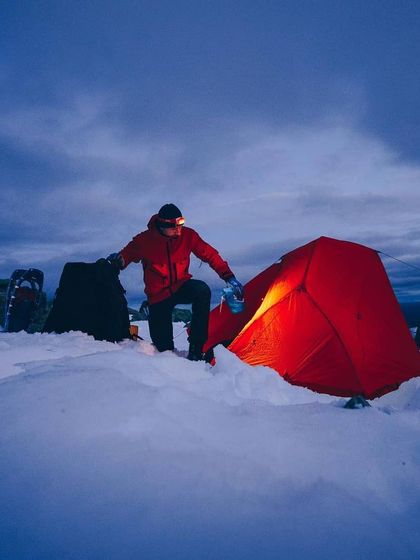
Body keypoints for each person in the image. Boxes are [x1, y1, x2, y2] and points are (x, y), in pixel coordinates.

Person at [107, 203, 244, 361]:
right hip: (158, 296)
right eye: (174, 227)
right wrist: (118, 261)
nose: (179, 231)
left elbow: (210, 255)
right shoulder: (144, 240)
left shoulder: (188, 236)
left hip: (181, 286)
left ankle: (196, 349)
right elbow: (126, 256)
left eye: (181, 225)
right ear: (162, 225)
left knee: (202, 290)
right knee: (164, 351)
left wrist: (229, 277)